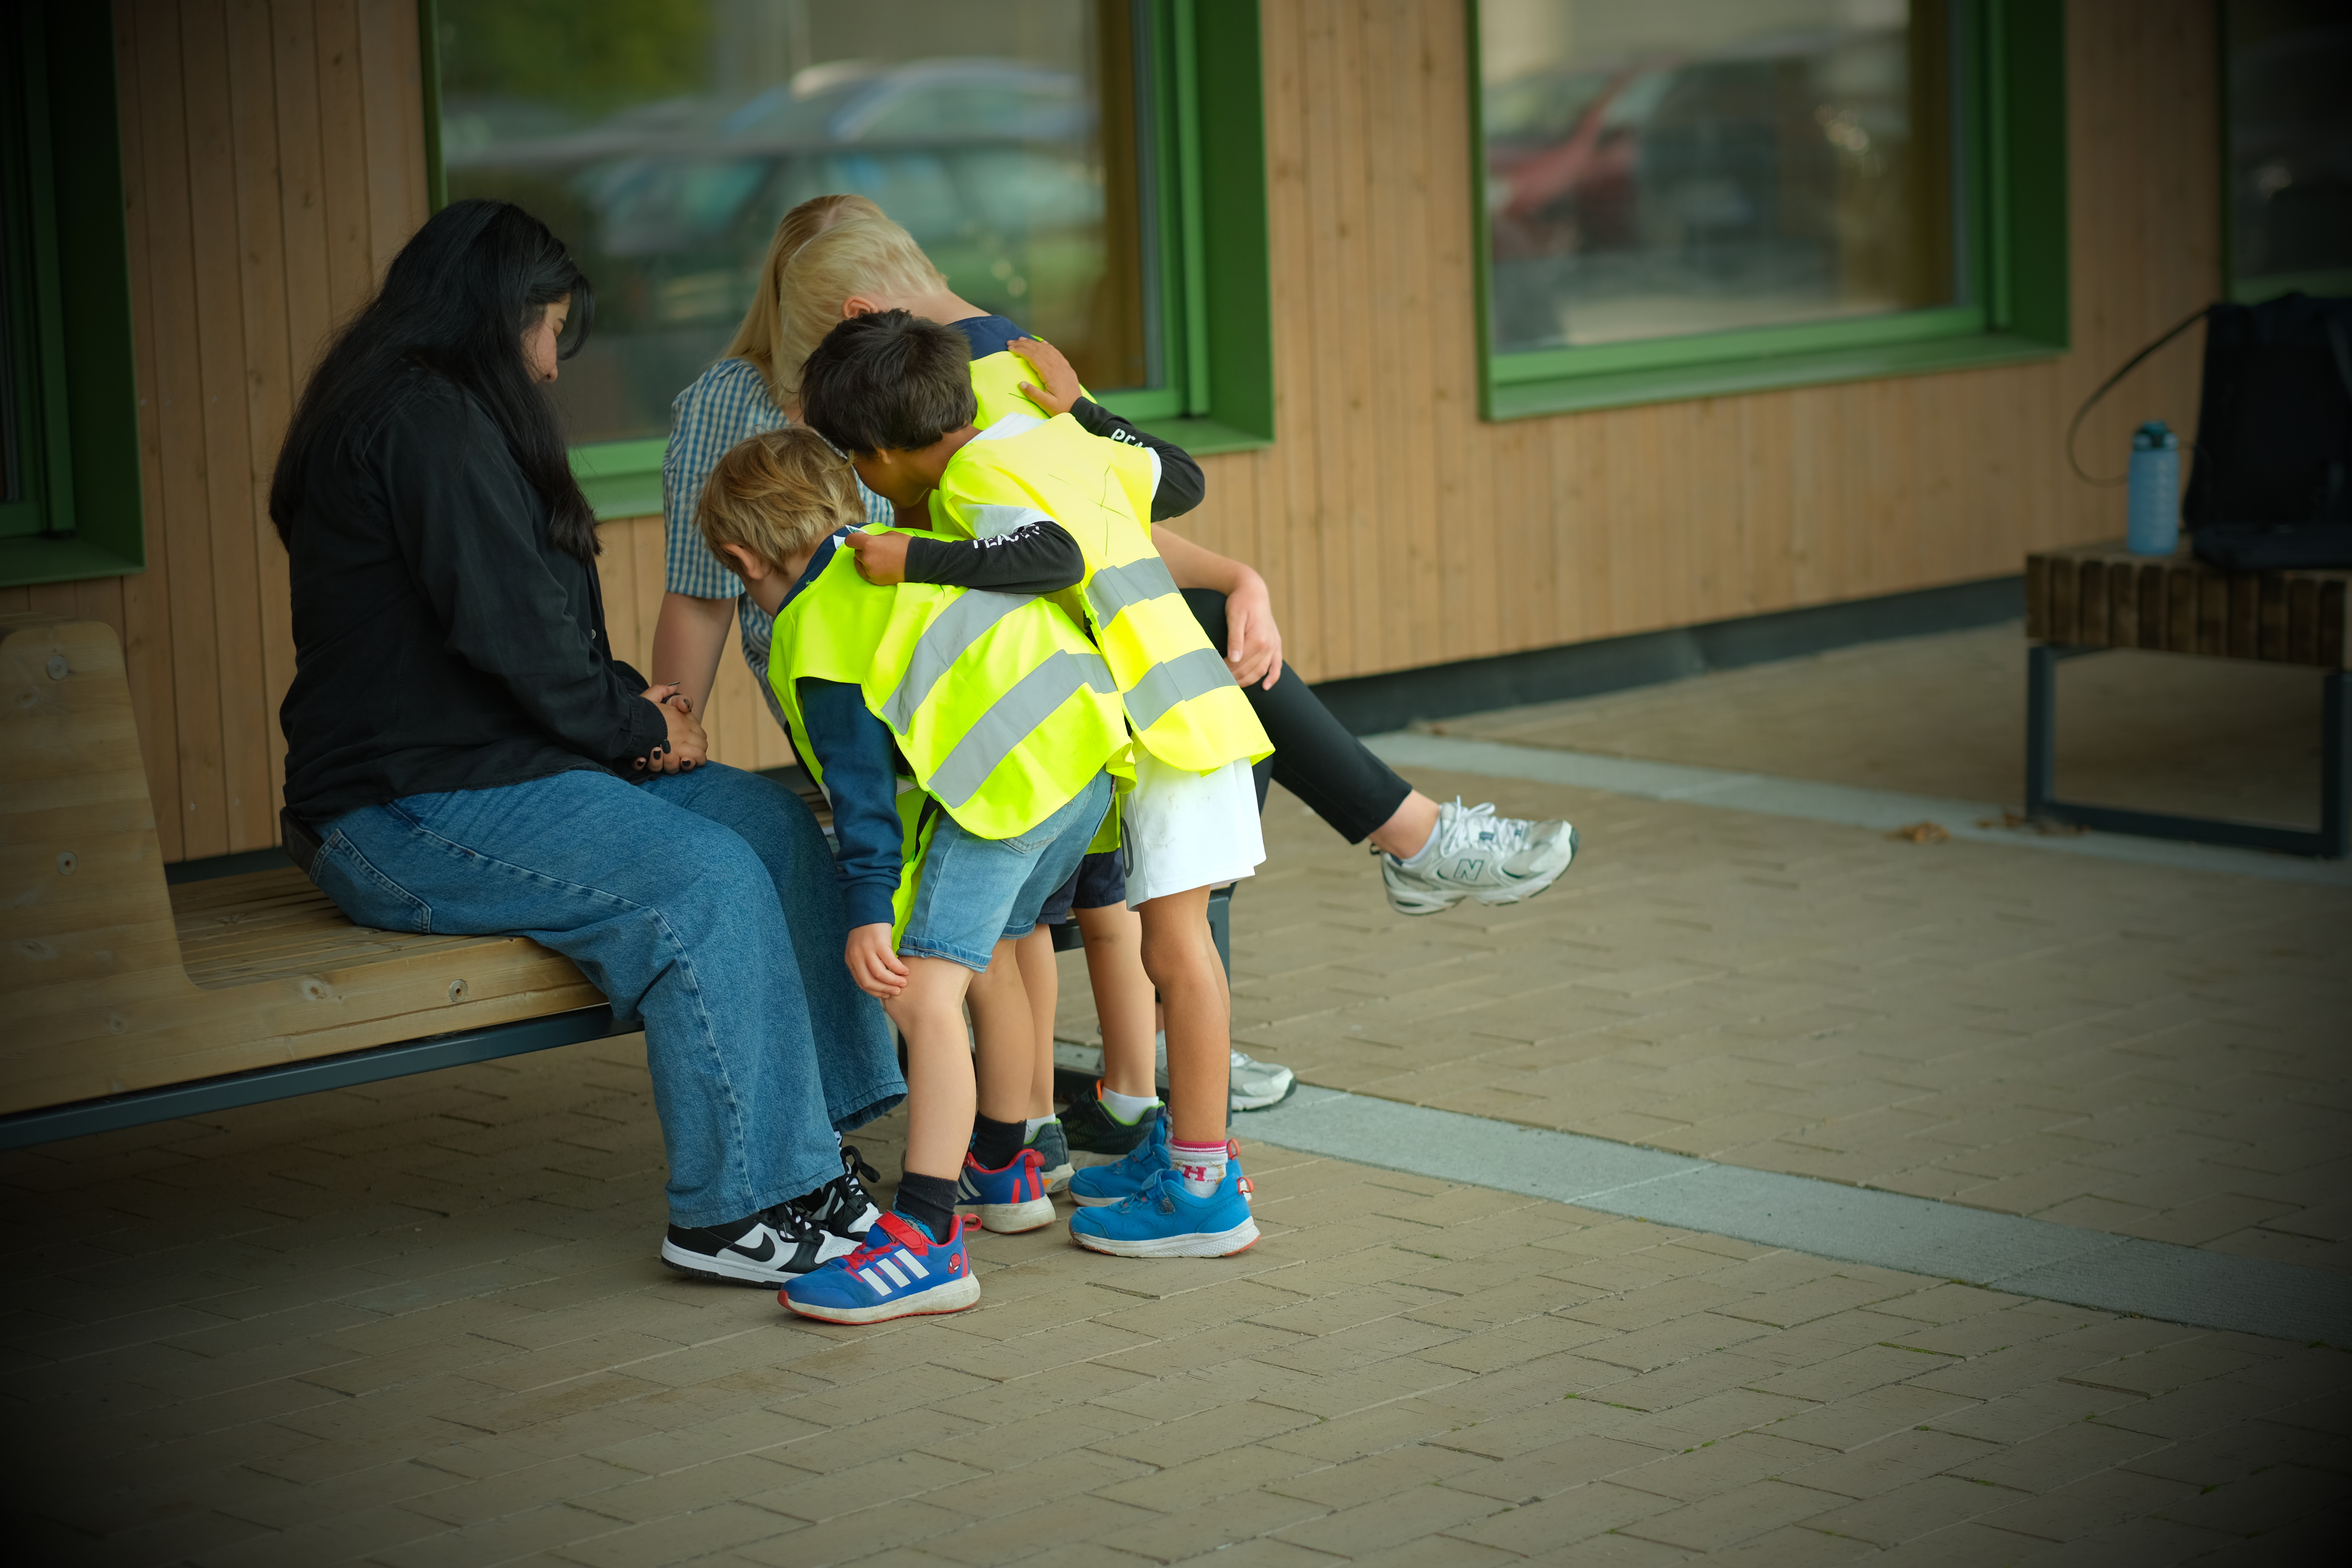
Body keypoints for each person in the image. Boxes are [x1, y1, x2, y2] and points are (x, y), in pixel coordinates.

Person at [270, 199, 902, 1294]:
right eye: (550, 330)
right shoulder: (420, 421)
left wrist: (629, 712)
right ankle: (736, 1211)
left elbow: (509, 634)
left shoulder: (446, 410)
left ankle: (812, 1163)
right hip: (403, 805)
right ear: (499, 315)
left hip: (505, 765)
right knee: (703, 880)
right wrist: (632, 724)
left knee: (767, 825)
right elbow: (508, 633)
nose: (555, 365)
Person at [755, 202, 1582, 923]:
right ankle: (1398, 852)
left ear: (864, 312)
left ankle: (1215, 1020)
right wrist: (1230, 577)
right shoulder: (1010, 357)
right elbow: (1104, 517)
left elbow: (1091, 525)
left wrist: (1234, 577)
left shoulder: (960, 379)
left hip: (1021, 700)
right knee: (1215, 667)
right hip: (1031, 701)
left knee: (1215, 665)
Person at [802, 310, 1269, 1260]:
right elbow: (1180, 481)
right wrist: (1089, 409)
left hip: (1168, 721)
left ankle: (1204, 1192)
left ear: (882, 454)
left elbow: (1050, 557)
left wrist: (913, 556)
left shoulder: (975, 478)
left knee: (1177, 955)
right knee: (1174, 952)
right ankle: (1190, 1154)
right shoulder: (1055, 435)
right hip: (1183, 711)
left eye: (859, 465)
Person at [696, 416, 1127, 1322]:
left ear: (742, 561)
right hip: (1086, 759)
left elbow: (858, 797)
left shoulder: (813, 627)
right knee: (998, 952)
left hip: (1003, 794)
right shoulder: (912, 547)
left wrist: (865, 913)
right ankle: (1006, 1169)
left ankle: (929, 1236)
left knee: (924, 996)